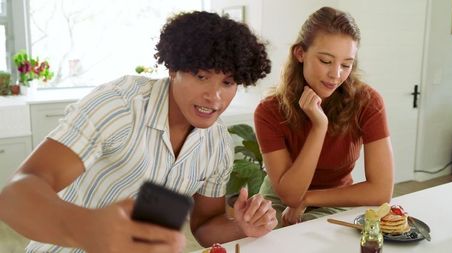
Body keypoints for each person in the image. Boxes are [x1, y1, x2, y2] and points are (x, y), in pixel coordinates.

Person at [0, 11, 277, 253]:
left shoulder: (217, 144)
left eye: (227, 82)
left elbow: (204, 226)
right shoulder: (120, 105)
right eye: (201, 76)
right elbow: (14, 197)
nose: (214, 97)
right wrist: (87, 228)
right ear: (172, 69)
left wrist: (241, 226)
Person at [254, 6, 394, 228]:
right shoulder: (269, 110)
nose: (336, 74)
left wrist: (308, 198)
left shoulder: (368, 102)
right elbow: (290, 195)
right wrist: (319, 127)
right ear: (300, 53)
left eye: (346, 64)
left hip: (338, 197)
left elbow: (381, 191)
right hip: (279, 196)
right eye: (326, 61)